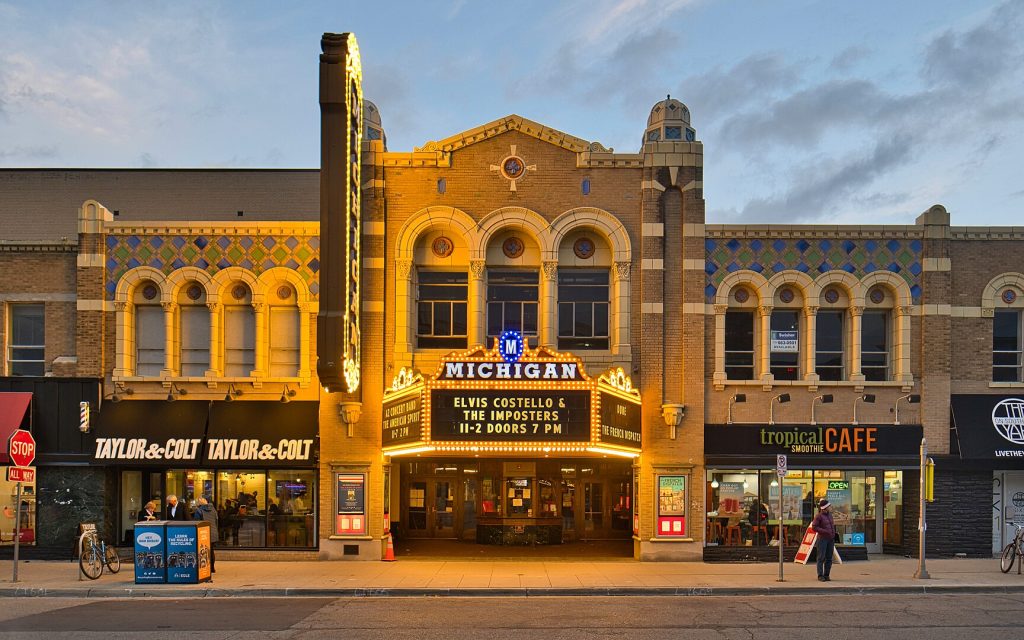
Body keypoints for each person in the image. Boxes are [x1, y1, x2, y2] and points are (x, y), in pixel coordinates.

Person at [811, 498, 836, 582]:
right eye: (829, 506)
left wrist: (833, 534)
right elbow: (814, 527)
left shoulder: (830, 515)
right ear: (825, 507)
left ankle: (827, 575)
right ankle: (820, 575)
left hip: (830, 539)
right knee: (821, 557)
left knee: (829, 558)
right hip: (822, 539)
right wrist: (825, 531)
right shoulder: (819, 516)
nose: (830, 507)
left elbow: (832, 526)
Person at [192, 496, 219, 573]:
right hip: (213, 532)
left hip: (203, 533)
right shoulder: (213, 510)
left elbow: (197, 523)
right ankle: (212, 568)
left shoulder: (199, 511)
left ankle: (205, 567)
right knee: (211, 550)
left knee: (203, 550)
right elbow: (217, 521)